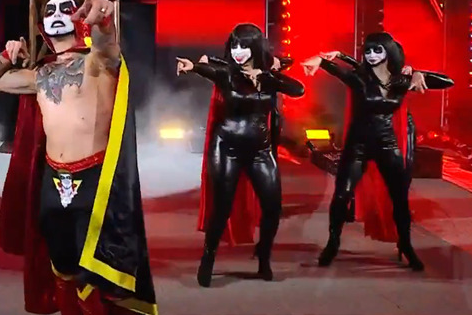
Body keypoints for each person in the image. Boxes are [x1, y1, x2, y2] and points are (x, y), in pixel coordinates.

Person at [0, 0, 157, 315]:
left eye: (66, 8)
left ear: (78, 19)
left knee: (94, 279)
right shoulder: (40, 75)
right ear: (43, 27)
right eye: (50, 11)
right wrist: (7, 55)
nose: (58, 14)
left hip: (94, 183)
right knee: (62, 270)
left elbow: (108, 47)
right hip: (54, 181)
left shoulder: (97, 62)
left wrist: (103, 22)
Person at [301, 32, 454, 271]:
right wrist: (321, 61)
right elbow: (337, 70)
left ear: (388, 53)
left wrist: (418, 73)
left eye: (377, 50)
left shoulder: (401, 81)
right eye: (368, 51)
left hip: (387, 144)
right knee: (342, 195)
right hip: (357, 145)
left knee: (399, 198)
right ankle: (333, 242)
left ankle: (406, 245)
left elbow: (447, 81)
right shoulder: (359, 79)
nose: (371, 55)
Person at [176, 23, 305, 286]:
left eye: (243, 46)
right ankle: (208, 257)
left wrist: (269, 74)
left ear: (255, 48)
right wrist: (193, 66)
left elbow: (298, 89)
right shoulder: (227, 73)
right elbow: (206, 69)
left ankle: (263, 256)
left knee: (273, 207)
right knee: (222, 207)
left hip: (260, 150)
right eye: (234, 46)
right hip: (227, 146)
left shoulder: (268, 78)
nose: (237, 52)